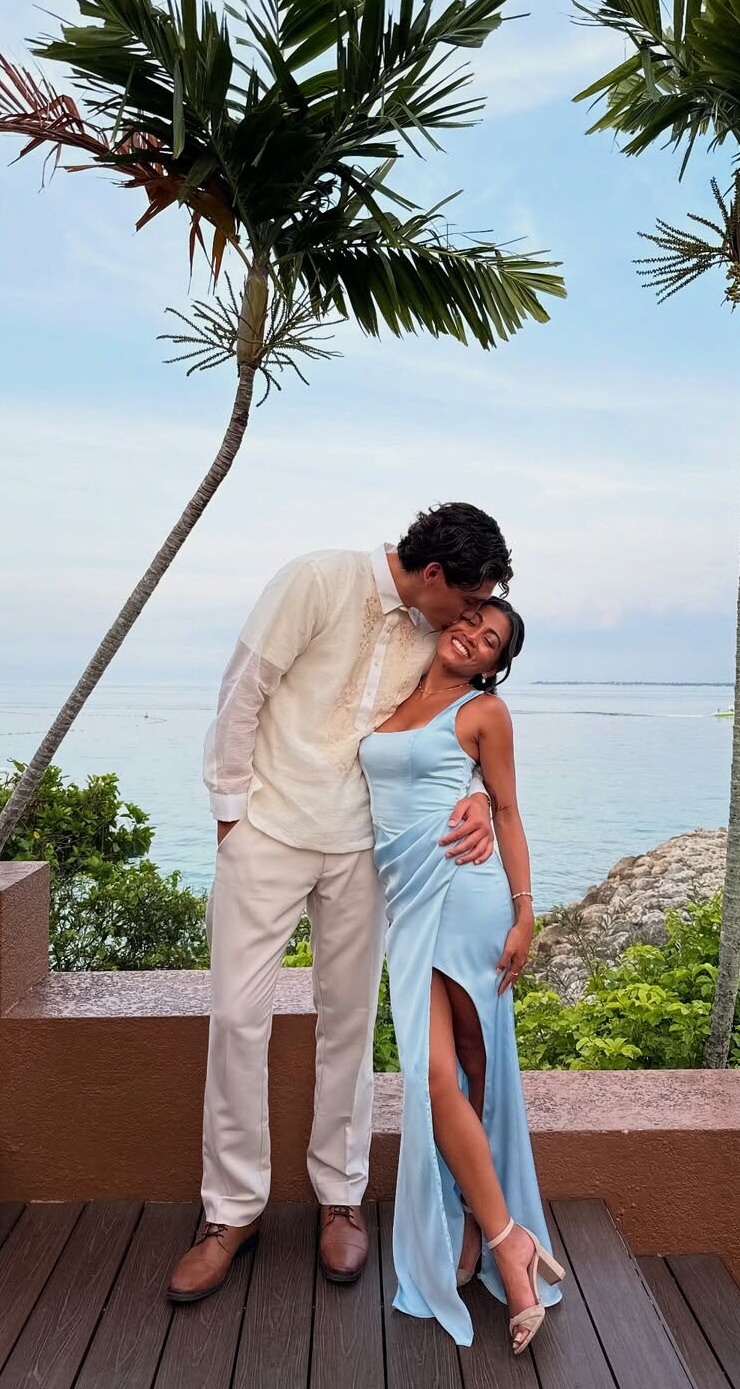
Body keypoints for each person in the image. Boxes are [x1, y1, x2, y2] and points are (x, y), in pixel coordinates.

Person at [168, 504, 512, 1303]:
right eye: (467, 601)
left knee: (350, 1023)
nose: (468, 621)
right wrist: (230, 816)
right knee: (237, 1017)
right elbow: (242, 691)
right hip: (268, 830)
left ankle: (341, 1197)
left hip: (366, 848)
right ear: (434, 575)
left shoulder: (440, 632)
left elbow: (458, 719)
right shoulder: (318, 579)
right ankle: (230, 1213)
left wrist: (478, 794)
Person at [359, 598, 564, 1353]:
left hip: (464, 893)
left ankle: (488, 1234)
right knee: (435, 1076)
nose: (472, 637)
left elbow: (506, 811)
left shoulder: (484, 713)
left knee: (466, 1069)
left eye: (490, 640)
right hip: (405, 901)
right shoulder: (389, 687)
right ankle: (506, 1237)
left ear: (495, 665)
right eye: (471, 620)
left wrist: (526, 912)